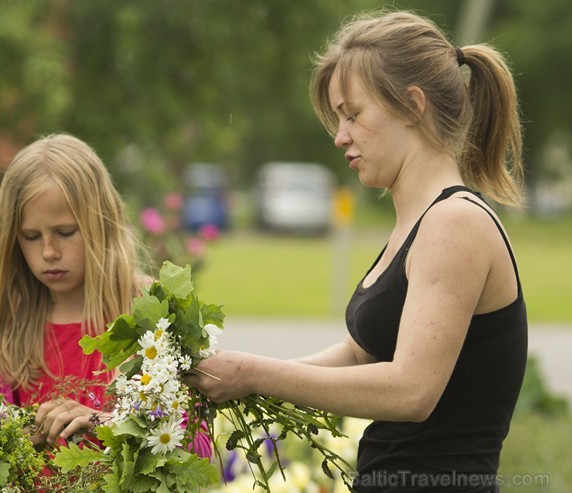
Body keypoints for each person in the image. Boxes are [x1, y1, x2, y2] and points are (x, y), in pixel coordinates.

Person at [186, 10, 526, 492]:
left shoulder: (455, 223)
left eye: (353, 114)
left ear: (412, 105)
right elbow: (361, 355)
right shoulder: (418, 223)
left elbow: (411, 390)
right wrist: (237, 374)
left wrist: (252, 373)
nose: (339, 135)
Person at [0, 133, 210, 457]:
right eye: (31, 236)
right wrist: (20, 439)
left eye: (65, 232)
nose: (48, 251)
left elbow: (198, 447)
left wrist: (105, 424)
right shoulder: (7, 325)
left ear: (101, 222)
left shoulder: (151, 314)